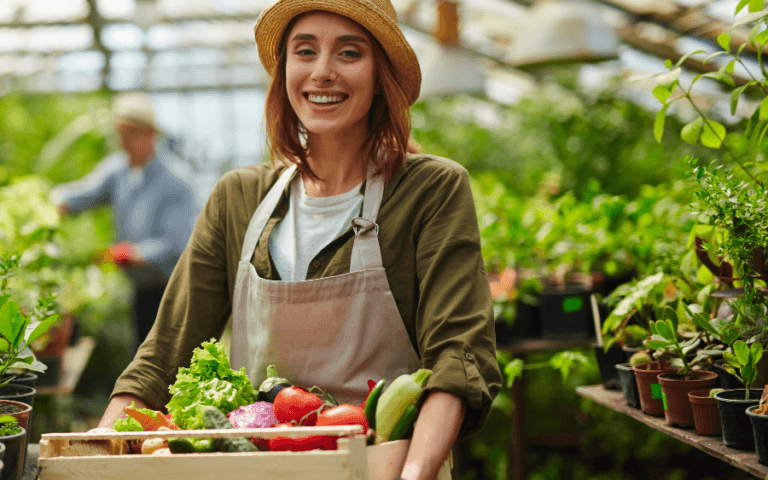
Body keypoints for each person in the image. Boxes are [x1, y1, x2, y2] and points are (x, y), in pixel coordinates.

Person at [95, 1, 501, 479]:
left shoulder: (429, 191)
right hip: (256, 469)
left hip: (389, 466)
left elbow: (458, 355)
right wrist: (91, 459)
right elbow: (162, 357)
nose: (322, 72)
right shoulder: (239, 198)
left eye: (349, 53)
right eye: (304, 51)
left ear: (380, 73)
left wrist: (414, 475)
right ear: (285, 68)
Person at [52, 91, 198, 347]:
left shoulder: (177, 181)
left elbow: (180, 243)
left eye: (131, 134)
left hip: (173, 291)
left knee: (170, 361)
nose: (124, 142)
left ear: (150, 135)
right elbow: (82, 195)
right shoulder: (118, 170)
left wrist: (134, 253)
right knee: (142, 355)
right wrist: (49, 202)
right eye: (120, 134)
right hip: (141, 289)